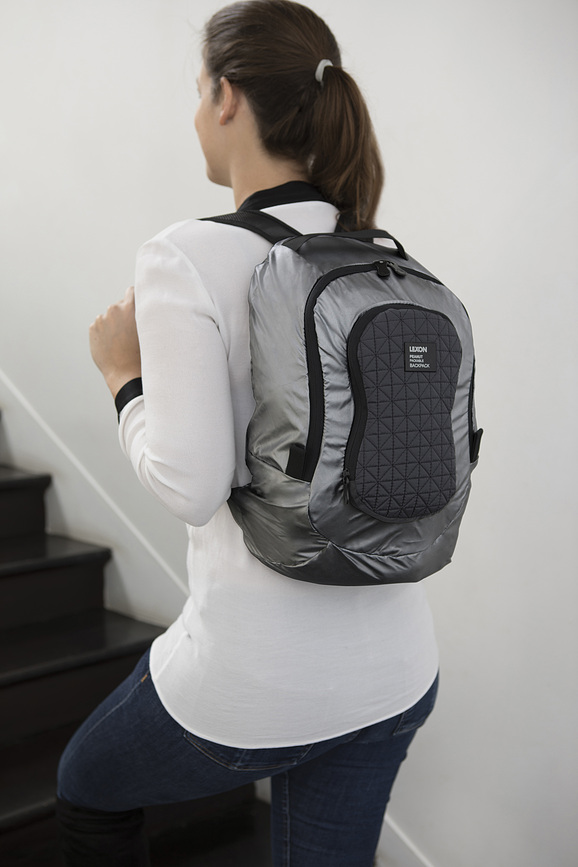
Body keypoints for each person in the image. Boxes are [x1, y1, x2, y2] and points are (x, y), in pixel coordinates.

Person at [56, 2, 439, 865]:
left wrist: (122, 375)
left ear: (227, 97)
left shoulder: (185, 254)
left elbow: (190, 484)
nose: (196, 113)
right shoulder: (387, 252)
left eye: (198, 91)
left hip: (259, 680)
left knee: (86, 786)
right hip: (397, 666)